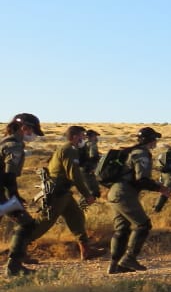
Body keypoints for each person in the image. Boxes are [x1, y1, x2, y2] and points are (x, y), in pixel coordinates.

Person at [28, 125, 101, 260]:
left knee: (77, 216)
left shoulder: (69, 149)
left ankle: (86, 250)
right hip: (57, 193)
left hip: (63, 192)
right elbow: (74, 176)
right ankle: (18, 250)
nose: (84, 138)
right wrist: (87, 195)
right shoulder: (69, 150)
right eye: (82, 136)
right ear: (74, 137)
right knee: (44, 222)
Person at [106, 126, 169, 274]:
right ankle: (129, 258)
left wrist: (155, 185)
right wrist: (160, 188)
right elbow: (142, 179)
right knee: (143, 225)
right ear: (151, 140)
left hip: (115, 193)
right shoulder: (142, 154)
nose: (156, 142)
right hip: (124, 194)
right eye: (155, 139)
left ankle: (115, 266)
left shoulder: (132, 152)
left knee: (121, 230)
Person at [2, 113, 44, 277]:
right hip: (2, 194)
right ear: (24, 127)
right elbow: (9, 175)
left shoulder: (5, 142)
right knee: (27, 224)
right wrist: (14, 197)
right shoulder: (14, 146)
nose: (33, 135)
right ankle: (14, 266)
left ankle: (15, 263)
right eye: (32, 131)